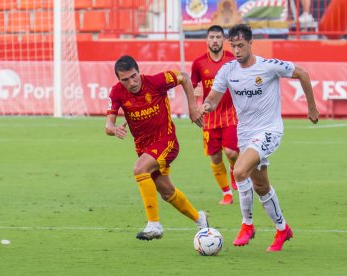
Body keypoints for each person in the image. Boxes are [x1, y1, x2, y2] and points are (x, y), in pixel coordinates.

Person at [198, 24, 319, 252]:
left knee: (239, 171)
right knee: (261, 186)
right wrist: (205, 106)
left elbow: (302, 73)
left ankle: (247, 225)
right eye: (233, 46)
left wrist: (311, 108)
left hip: (269, 130)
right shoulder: (227, 70)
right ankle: (283, 229)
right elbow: (213, 99)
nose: (236, 50)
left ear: (251, 44)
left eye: (241, 45)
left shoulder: (269, 67)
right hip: (246, 134)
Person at [106, 55, 208, 241]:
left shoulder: (156, 82)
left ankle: (154, 224)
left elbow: (184, 77)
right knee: (167, 192)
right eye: (125, 79)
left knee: (139, 169)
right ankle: (199, 218)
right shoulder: (117, 92)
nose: (132, 82)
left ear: (139, 71)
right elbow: (108, 125)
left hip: (166, 142)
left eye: (134, 76)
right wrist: (113, 130)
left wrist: (192, 108)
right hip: (144, 148)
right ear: (119, 80)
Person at [191, 25, 239, 205]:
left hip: (230, 114)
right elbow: (192, 86)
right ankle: (226, 193)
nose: (215, 40)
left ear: (223, 40)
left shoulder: (232, 60)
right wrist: (195, 105)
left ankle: (235, 171)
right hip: (209, 117)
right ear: (207, 40)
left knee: (232, 152)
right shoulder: (198, 63)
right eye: (212, 37)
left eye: (218, 37)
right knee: (216, 157)